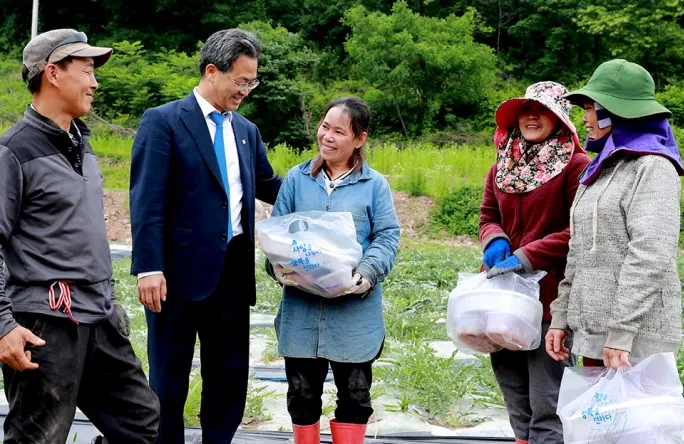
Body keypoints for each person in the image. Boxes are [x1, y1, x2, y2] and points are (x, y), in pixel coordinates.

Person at [0, 29, 159, 443]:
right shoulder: (14, 151)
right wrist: (2, 325)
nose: (95, 82)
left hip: (98, 315)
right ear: (52, 73)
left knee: (140, 424)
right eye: (86, 70)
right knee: (38, 437)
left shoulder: (81, 144)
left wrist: (108, 296)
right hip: (45, 321)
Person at [129, 28, 282, 443]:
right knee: (168, 380)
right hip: (175, 276)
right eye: (241, 80)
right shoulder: (163, 121)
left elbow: (270, 185)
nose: (247, 90)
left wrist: (323, 180)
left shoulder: (246, 131)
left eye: (253, 82)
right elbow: (147, 200)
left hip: (232, 273)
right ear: (212, 71)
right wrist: (148, 267)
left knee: (229, 378)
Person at [269, 97, 400, 444]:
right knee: (301, 395)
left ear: (359, 139)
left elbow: (387, 235)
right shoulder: (297, 180)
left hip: (354, 316)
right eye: (325, 127)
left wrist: (368, 272)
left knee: (355, 397)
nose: (327, 136)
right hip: (301, 311)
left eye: (339, 131)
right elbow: (277, 231)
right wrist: (277, 266)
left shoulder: (374, 185)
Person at [546, 59, 684, 370]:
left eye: (589, 108)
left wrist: (621, 332)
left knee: (634, 419)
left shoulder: (653, 167)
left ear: (614, 110)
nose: (584, 119)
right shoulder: (602, 168)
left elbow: (651, 255)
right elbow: (578, 251)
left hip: (634, 342)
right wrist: (562, 316)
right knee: (597, 419)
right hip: (597, 333)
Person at [479, 81, 590, 444]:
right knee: (514, 393)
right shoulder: (502, 167)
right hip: (504, 296)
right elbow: (487, 215)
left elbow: (580, 231)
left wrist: (525, 256)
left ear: (559, 119)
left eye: (542, 110)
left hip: (550, 299)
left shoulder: (577, 166)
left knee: (547, 401)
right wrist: (495, 238)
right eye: (526, 109)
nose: (531, 116)